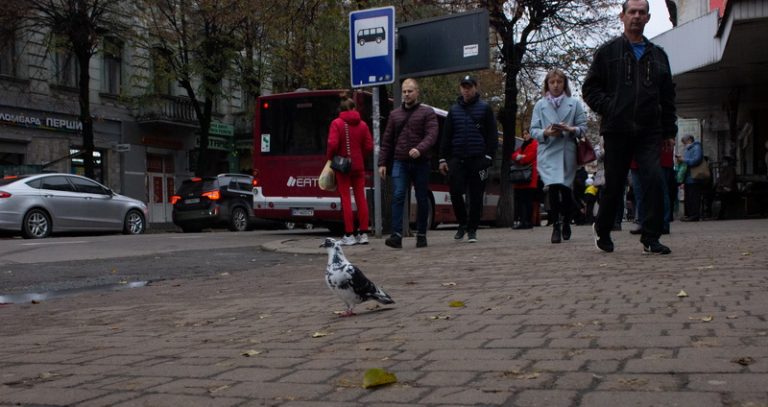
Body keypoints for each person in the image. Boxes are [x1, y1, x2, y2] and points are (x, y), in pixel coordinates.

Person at [582, 0, 676, 255]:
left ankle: (651, 236)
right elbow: (589, 89)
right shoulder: (607, 52)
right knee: (614, 183)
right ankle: (603, 230)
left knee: (654, 179)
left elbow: (668, 96)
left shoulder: (658, 56)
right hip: (616, 129)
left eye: (641, 12)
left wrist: (669, 131)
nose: (636, 16)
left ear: (647, 18)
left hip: (649, 130)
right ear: (622, 16)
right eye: (631, 12)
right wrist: (610, 106)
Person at [378, 78, 439, 249]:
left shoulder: (427, 113)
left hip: (421, 162)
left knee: (421, 198)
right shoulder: (394, 115)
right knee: (398, 195)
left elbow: (432, 135)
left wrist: (420, 149)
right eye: (404, 91)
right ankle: (396, 235)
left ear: (417, 92)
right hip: (400, 161)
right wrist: (382, 162)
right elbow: (387, 140)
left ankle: (421, 234)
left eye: (410, 91)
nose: (406, 94)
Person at [530, 68, 587, 244]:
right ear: (547, 84)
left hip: (566, 150)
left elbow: (583, 127)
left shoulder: (574, 103)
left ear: (564, 84)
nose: (555, 86)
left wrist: (571, 130)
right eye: (552, 82)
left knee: (566, 190)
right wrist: (545, 133)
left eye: (559, 82)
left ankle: (566, 222)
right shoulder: (540, 105)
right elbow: (533, 130)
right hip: (548, 151)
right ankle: (556, 225)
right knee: (553, 188)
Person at [439, 75, 498, 243]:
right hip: (457, 159)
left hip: (478, 159)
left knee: (476, 195)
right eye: (463, 86)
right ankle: (462, 223)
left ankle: (472, 229)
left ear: (475, 88)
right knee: (455, 192)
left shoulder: (485, 108)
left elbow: (492, 135)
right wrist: (443, 158)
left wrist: (488, 157)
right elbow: (446, 136)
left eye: (469, 86)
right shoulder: (454, 110)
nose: (466, 89)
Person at [326, 98, 373, 246]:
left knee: (346, 199)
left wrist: (330, 158)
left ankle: (349, 234)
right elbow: (369, 146)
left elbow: (332, 144)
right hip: (358, 166)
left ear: (341, 110)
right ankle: (364, 233)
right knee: (361, 198)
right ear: (353, 108)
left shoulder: (337, 123)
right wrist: (360, 156)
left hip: (343, 166)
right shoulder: (363, 125)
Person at [511, 129, 539, 229]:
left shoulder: (535, 144)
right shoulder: (523, 145)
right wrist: (520, 157)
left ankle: (528, 222)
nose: (524, 136)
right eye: (523, 134)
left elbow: (528, 158)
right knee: (520, 201)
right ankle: (522, 221)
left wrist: (520, 157)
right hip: (521, 177)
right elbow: (513, 155)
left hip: (529, 177)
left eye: (526, 134)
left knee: (528, 201)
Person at [677, 134, 705, 221]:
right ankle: (690, 215)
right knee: (689, 197)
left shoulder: (696, 147)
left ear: (689, 140)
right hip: (688, 177)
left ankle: (694, 215)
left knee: (694, 197)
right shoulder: (688, 149)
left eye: (684, 142)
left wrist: (684, 160)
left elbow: (696, 160)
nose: (684, 144)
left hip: (694, 177)